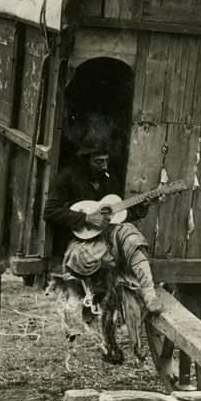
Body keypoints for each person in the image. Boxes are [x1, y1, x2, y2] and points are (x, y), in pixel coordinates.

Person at [43, 139, 162, 364]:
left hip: (109, 236)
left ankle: (149, 292)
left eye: (106, 161)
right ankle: (108, 338)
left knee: (132, 237)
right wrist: (86, 218)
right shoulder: (68, 177)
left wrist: (143, 205)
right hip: (83, 241)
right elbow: (50, 212)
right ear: (85, 161)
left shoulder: (108, 179)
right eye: (98, 162)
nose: (104, 166)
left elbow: (118, 214)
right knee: (99, 264)